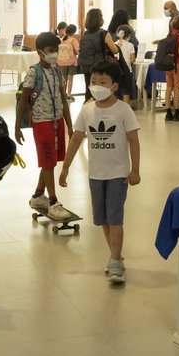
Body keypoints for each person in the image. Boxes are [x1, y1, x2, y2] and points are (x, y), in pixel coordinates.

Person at [59, 61, 141, 283]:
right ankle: (115, 256)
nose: (96, 86)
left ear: (114, 86)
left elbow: (133, 140)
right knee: (103, 218)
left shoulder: (123, 110)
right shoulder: (86, 110)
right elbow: (76, 138)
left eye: (102, 82)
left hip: (118, 174)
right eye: (93, 81)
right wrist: (65, 167)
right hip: (96, 174)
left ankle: (115, 260)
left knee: (115, 218)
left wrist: (135, 170)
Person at [15, 32, 74, 221]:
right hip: (42, 122)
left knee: (52, 160)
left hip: (57, 121)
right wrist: (17, 127)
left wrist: (69, 125)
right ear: (40, 52)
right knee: (47, 161)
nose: (55, 54)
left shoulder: (57, 71)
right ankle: (53, 202)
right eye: (51, 51)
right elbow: (23, 101)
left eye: (56, 50)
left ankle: (38, 196)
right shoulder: (34, 72)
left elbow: (63, 99)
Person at [77, 8, 120, 100]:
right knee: (101, 89)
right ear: (100, 19)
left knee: (89, 89)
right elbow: (115, 50)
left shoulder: (86, 34)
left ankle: (87, 108)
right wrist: (119, 45)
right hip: (99, 66)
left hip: (86, 66)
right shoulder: (104, 33)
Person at [162, 14, 179, 122]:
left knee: (169, 88)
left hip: (168, 64)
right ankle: (177, 112)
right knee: (177, 88)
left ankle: (168, 113)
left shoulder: (170, 34)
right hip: (178, 64)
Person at [56, 23, 80, 101]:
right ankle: (69, 95)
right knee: (70, 78)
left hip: (62, 62)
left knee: (64, 79)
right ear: (73, 32)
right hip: (71, 62)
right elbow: (77, 51)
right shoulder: (73, 40)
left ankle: (63, 95)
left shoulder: (62, 40)